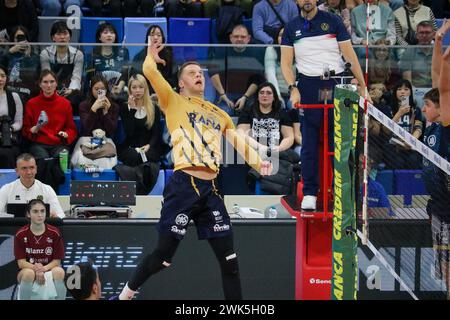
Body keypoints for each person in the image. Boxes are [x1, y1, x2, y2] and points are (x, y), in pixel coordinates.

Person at [117, 38, 272, 300]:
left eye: (200, 73)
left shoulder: (219, 113)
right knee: (163, 258)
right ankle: (124, 296)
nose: (198, 75)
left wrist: (259, 163)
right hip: (183, 184)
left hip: (211, 189)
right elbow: (151, 72)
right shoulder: (172, 100)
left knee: (230, 261)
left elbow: (238, 143)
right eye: (192, 73)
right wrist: (150, 56)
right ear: (181, 82)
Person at [281, 0, 368, 210]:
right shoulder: (291, 27)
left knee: (340, 142)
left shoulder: (333, 21)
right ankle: (310, 192)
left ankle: (342, 192)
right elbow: (285, 62)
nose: (307, 1)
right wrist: (293, 87)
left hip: (335, 82)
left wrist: (364, 86)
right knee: (309, 143)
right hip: (308, 86)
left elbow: (349, 55)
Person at [421, 88, 450, 300]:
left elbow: (443, 84)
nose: (423, 109)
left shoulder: (447, 129)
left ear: (441, 109)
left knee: (448, 258)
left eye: (428, 105)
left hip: (448, 202)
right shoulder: (430, 130)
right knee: (443, 259)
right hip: (437, 204)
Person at [14, 199, 66, 300]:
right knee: (29, 273)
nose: (40, 215)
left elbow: (57, 261)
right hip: (28, 271)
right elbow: (21, 263)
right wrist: (36, 269)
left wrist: (43, 269)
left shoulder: (55, 233)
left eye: (42, 211)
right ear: (28, 214)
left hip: (49, 269)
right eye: (35, 211)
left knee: (59, 272)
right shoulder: (20, 234)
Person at [22, 69, 77, 160]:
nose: (49, 85)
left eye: (52, 82)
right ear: (40, 84)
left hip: (59, 144)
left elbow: (71, 129)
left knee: (61, 160)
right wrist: (34, 128)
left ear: (56, 84)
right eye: (45, 82)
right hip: (38, 144)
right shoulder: (31, 103)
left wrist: (66, 134)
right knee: (42, 160)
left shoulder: (65, 103)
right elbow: (25, 129)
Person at [210, 24, 266, 114]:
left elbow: (257, 79)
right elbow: (213, 72)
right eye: (236, 36)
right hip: (225, 95)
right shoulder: (221, 50)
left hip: (249, 95)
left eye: (243, 37)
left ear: (248, 39)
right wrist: (222, 94)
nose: (239, 39)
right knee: (224, 113)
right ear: (231, 38)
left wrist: (245, 97)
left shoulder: (257, 52)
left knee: (253, 111)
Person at [40, 20, 84, 115]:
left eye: (65, 33)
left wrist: (70, 90)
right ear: (53, 37)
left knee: (75, 100)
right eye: (59, 34)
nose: (62, 37)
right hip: (50, 88)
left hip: (69, 90)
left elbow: (76, 77)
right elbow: (46, 75)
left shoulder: (78, 54)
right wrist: (52, 90)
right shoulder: (45, 53)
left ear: (70, 37)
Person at [0, 153, 65, 218]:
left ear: (36, 169)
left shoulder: (47, 189)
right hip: (14, 227)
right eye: (24, 168)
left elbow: (61, 215)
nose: (29, 172)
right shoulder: (6, 189)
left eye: (32, 167)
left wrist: (55, 217)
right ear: (17, 171)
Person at [384, 79, 423, 169]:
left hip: (410, 145)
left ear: (410, 92)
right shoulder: (388, 109)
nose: (402, 92)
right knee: (398, 162)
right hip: (393, 146)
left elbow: (418, 128)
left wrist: (411, 140)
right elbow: (385, 131)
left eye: (406, 89)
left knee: (413, 161)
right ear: (395, 92)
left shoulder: (415, 110)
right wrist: (399, 114)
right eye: (399, 89)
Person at [86, 23, 129, 100]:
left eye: (112, 33)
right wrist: (102, 89)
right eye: (105, 33)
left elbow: (125, 73)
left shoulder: (124, 52)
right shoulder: (92, 54)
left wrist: (119, 87)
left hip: (118, 90)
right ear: (99, 37)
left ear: (115, 36)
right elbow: (90, 76)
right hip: (98, 90)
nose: (109, 35)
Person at [131, 25, 175, 92]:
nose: (155, 37)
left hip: (164, 93)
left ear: (162, 39)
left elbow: (172, 79)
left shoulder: (168, 56)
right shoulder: (139, 56)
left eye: (159, 35)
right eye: (152, 35)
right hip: (144, 93)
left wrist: (159, 93)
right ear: (147, 38)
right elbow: (137, 79)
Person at [4, 25, 41, 104]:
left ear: (27, 39)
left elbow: (31, 78)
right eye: (17, 38)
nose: (20, 41)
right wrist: (10, 52)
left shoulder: (35, 57)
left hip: (28, 96)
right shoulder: (7, 55)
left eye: (22, 38)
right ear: (12, 40)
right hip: (9, 96)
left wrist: (28, 57)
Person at [399, 20, 435, 89]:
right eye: (421, 33)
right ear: (417, 35)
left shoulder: (440, 52)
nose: (424, 35)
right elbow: (407, 81)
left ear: (433, 35)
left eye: (427, 33)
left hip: (436, 91)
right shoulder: (409, 52)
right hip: (416, 90)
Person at [0, 64, 23, 168]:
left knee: (7, 153)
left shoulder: (14, 96)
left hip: (8, 137)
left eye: (3, 76)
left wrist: (10, 128)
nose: (0, 79)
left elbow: (19, 122)